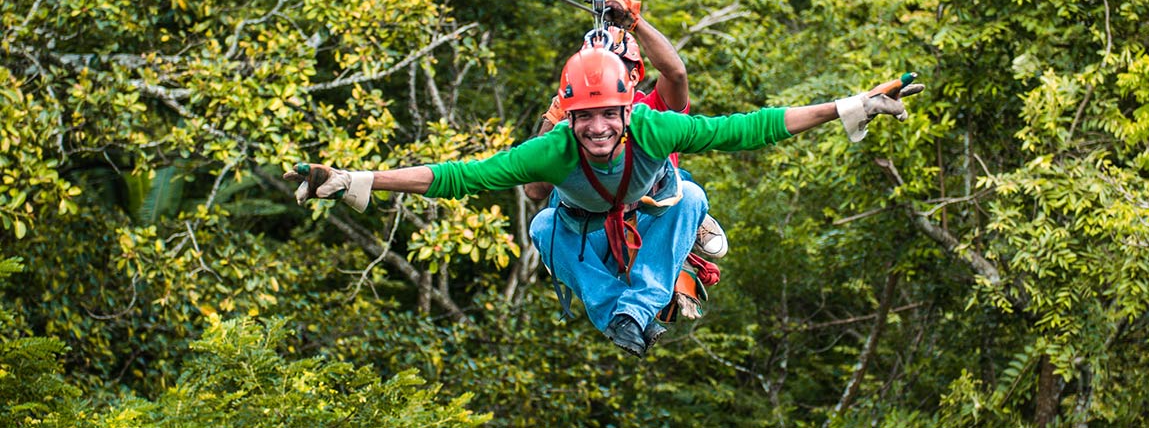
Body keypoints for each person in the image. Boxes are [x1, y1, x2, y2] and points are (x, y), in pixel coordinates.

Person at [286, 47, 923, 357]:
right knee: (540, 226)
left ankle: (646, 301)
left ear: (627, 109)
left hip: (646, 208)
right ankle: (628, 311)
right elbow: (460, 176)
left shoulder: (654, 128)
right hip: (581, 226)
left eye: (607, 116)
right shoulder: (553, 150)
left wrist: (850, 105)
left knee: (688, 194)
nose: (596, 129)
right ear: (571, 115)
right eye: (585, 117)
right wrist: (356, 179)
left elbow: (748, 127)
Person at [524, 0, 728, 321]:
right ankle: (620, 315)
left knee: (686, 189)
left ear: (634, 75)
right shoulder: (576, 126)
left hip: (651, 222)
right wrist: (557, 117)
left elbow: (676, 76)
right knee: (545, 224)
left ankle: (688, 228)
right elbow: (534, 190)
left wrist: (634, 23)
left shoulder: (653, 111)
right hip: (596, 231)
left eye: (618, 71)